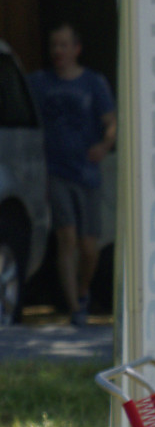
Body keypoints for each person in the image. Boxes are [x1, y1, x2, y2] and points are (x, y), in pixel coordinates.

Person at [28, 23, 115, 325]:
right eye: (54, 45)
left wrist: (105, 145)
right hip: (55, 171)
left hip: (87, 173)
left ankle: (83, 288)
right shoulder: (39, 82)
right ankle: (75, 307)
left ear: (76, 49)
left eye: (63, 45)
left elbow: (111, 122)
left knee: (89, 247)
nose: (58, 51)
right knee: (66, 237)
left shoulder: (93, 83)